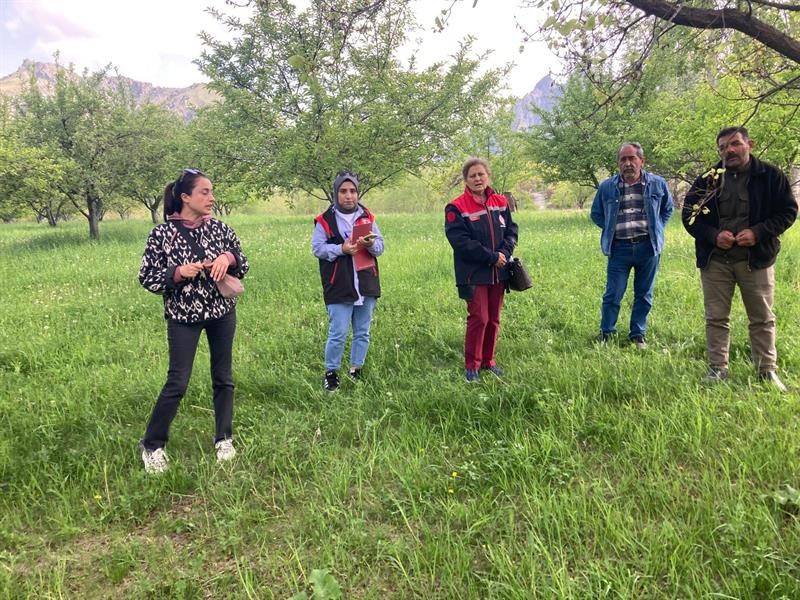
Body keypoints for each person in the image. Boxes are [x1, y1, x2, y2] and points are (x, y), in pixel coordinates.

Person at [138, 169, 249, 473]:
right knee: (178, 382)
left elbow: (243, 263)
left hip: (222, 313)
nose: (211, 198)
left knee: (223, 377)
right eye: (204, 192)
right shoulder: (161, 235)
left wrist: (229, 259)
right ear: (185, 197)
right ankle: (152, 445)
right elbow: (147, 277)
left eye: (212, 191)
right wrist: (177, 273)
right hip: (183, 318)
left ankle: (224, 438)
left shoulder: (221, 230)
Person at [682, 127, 797, 391]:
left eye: (734, 144)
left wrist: (758, 233)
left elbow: (788, 211)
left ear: (749, 144)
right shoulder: (708, 179)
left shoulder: (770, 176)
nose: (729, 151)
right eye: (723, 147)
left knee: (762, 318)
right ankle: (717, 369)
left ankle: (766, 371)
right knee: (716, 318)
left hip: (755, 260)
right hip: (716, 261)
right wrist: (713, 235)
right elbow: (690, 216)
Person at [590, 142, 673, 349]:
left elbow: (667, 209)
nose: (628, 163)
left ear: (641, 161)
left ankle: (637, 334)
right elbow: (596, 214)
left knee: (644, 293)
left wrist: (656, 228)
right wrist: (612, 228)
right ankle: (607, 332)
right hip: (619, 248)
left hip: (648, 247)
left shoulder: (658, 184)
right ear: (618, 163)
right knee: (613, 293)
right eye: (623, 159)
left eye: (632, 158)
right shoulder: (607, 186)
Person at [445, 158, 518, 382]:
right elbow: (461, 241)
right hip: (473, 273)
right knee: (479, 317)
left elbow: (512, 230)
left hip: (499, 272)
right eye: (472, 176)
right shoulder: (456, 207)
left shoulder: (501, 202)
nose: (477, 179)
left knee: (494, 318)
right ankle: (472, 365)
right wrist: (492, 257)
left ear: (488, 176)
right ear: (466, 180)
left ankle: (488, 361)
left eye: (481, 174)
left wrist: (504, 252)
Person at [312, 171, 384, 392]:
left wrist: (369, 244)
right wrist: (341, 249)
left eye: (352, 191)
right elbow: (318, 249)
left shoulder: (367, 217)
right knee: (338, 332)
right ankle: (331, 373)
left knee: (362, 331)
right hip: (339, 284)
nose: (348, 196)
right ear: (336, 194)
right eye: (343, 191)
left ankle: (356, 370)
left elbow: (380, 247)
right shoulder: (325, 221)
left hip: (366, 283)